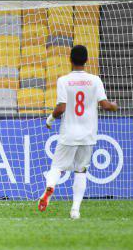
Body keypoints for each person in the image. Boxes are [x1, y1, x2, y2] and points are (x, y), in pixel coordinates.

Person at [40, 45, 118, 219]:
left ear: (70, 59)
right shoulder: (95, 80)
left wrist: (50, 119)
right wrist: (114, 105)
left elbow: (61, 108)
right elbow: (105, 105)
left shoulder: (64, 80)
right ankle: (75, 210)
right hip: (88, 134)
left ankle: (50, 187)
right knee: (81, 171)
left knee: (57, 167)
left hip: (69, 133)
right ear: (87, 60)